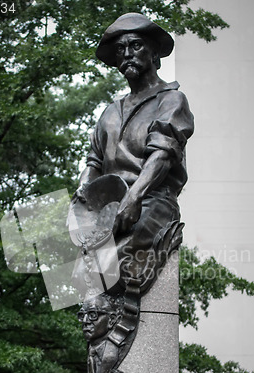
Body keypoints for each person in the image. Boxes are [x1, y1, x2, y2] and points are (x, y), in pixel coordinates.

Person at [73, 12, 194, 292]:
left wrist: (133, 197)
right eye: (120, 49)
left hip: (151, 200)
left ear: (154, 54)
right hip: (107, 207)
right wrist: (82, 196)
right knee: (77, 271)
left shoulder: (171, 100)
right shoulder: (109, 113)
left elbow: (162, 154)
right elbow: (94, 161)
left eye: (135, 45)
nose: (126, 54)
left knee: (110, 265)